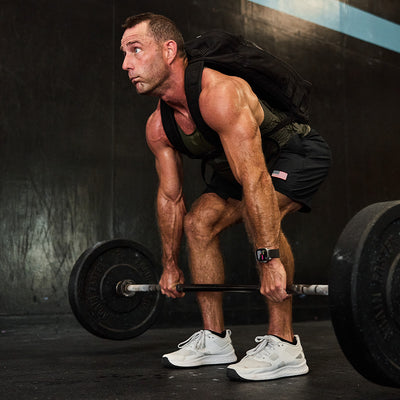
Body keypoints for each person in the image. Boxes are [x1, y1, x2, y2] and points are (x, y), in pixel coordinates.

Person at [120, 12, 331, 381]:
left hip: (293, 152)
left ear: (169, 50)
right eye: (124, 54)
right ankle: (215, 339)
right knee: (198, 223)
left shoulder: (219, 93)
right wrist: (170, 265)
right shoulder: (159, 126)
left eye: (136, 50)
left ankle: (284, 344)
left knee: (257, 214)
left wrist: (269, 259)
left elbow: (255, 180)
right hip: (242, 165)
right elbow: (170, 199)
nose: (126, 64)